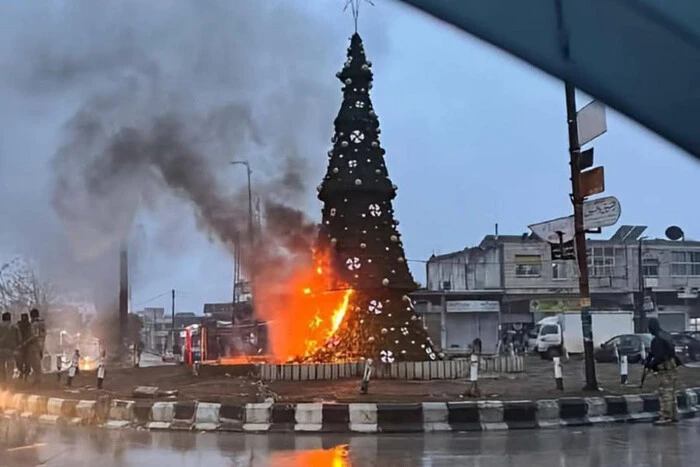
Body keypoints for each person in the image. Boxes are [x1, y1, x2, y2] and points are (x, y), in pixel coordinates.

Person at [645, 318, 682, 425]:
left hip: (665, 369)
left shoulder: (657, 340)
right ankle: (673, 415)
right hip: (672, 368)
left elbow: (659, 356)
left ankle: (666, 416)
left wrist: (651, 365)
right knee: (671, 393)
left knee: (665, 393)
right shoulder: (665, 335)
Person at [28, 308, 46, 385]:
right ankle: (38, 379)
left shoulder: (34, 324)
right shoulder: (42, 322)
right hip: (41, 343)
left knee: (35, 363)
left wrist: (27, 342)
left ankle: (38, 380)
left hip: (34, 345)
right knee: (38, 362)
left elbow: (34, 335)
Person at [0, 312, 19, 383]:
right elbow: (18, 337)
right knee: (10, 366)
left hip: (0, 349)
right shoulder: (14, 326)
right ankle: (9, 381)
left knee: (1, 366)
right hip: (10, 349)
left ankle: (2, 382)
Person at [16, 313, 31, 380]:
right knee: (20, 362)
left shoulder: (29, 326)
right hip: (21, 346)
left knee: (27, 362)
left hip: (27, 346)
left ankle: (25, 375)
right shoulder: (19, 325)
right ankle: (22, 373)